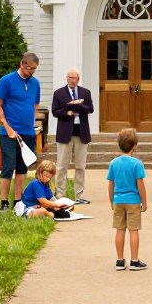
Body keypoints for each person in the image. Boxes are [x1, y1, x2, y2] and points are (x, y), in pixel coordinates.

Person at [0, 52, 40, 211]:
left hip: (28, 133)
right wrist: (7, 126)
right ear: (22, 64)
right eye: (30, 69)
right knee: (8, 166)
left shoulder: (35, 83)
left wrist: (32, 125)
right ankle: (4, 202)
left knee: (22, 167)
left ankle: (18, 202)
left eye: (34, 69)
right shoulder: (6, 81)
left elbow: (35, 105)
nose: (31, 72)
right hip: (9, 133)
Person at [50, 68, 94, 204]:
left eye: (74, 78)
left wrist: (79, 106)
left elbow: (90, 108)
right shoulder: (59, 93)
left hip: (81, 133)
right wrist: (68, 111)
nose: (72, 80)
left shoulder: (85, 93)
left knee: (80, 166)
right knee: (62, 165)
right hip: (65, 133)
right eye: (70, 77)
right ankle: (60, 194)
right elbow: (55, 111)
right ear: (67, 78)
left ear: (78, 79)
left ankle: (79, 195)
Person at [107, 128, 148, 271]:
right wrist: (144, 202)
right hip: (133, 201)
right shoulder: (137, 164)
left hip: (118, 201)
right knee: (133, 230)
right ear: (135, 145)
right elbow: (140, 185)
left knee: (120, 229)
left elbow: (110, 184)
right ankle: (134, 261)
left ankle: (119, 260)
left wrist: (111, 200)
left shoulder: (114, 163)